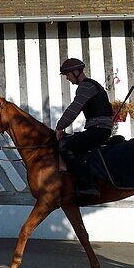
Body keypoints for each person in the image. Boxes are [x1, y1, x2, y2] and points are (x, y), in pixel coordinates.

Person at [54, 58, 113, 197]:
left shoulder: (86, 86)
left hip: (98, 129)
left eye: (68, 74)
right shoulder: (93, 85)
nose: (67, 78)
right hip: (100, 128)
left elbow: (74, 109)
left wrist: (60, 127)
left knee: (65, 146)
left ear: (76, 72)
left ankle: (88, 185)